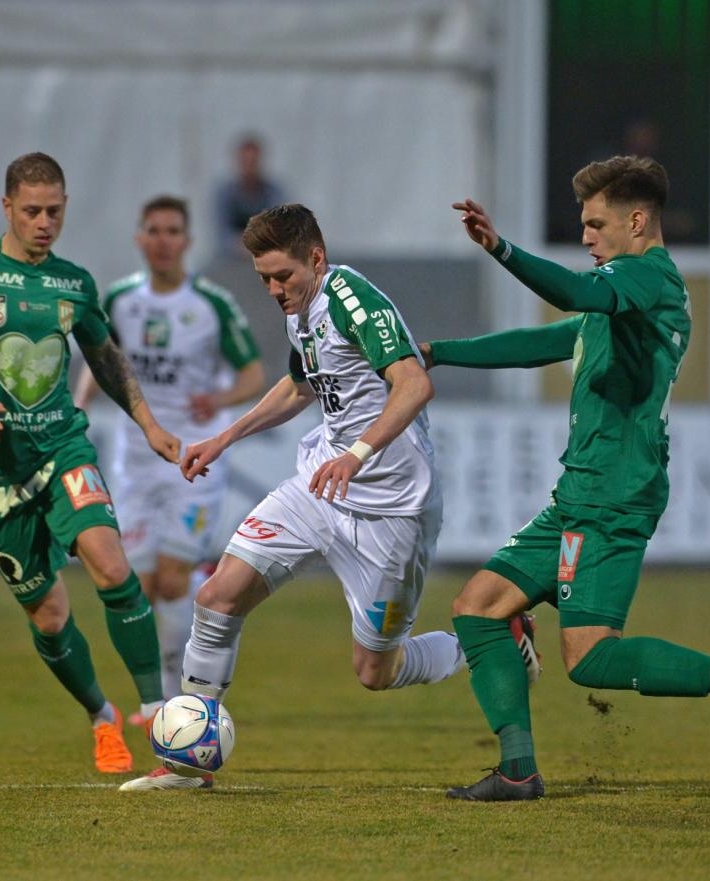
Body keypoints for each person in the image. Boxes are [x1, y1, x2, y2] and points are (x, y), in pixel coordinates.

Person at [422, 155, 710, 802]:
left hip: (613, 495)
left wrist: (501, 248)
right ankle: (517, 770)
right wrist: (438, 354)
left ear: (636, 221)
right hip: (579, 492)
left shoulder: (648, 279)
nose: (585, 236)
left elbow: (576, 292)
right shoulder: (617, 300)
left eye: (594, 223)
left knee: (590, 657)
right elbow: (543, 342)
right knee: (477, 607)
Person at [120, 203, 537, 792]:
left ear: (315, 258)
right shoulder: (302, 309)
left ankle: (499, 638)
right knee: (218, 596)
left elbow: (415, 382)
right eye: (264, 278)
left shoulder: (351, 298)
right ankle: (188, 762)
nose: (273, 289)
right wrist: (224, 437)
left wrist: (358, 454)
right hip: (319, 488)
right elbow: (299, 385)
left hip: (393, 512)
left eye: (282, 275)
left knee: (376, 670)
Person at [0, 152, 180, 775]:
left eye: (54, 211)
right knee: (50, 616)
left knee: (110, 562)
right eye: (31, 211)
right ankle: (103, 718)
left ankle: (163, 720)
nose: (43, 222)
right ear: (7, 207)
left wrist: (152, 426)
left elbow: (106, 360)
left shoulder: (74, 283)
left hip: (62, 448)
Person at [74, 195, 265, 708]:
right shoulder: (119, 299)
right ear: (140, 238)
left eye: (173, 231)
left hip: (192, 458)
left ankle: (172, 697)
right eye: (153, 230)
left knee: (174, 576)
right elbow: (101, 359)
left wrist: (219, 399)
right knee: (140, 581)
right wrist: (79, 404)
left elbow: (254, 374)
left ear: (187, 240)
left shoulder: (211, 304)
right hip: (133, 459)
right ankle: (159, 695)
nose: (163, 240)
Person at [214, 135, 286, 258]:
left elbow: (280, 230)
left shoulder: (273, 192)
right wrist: (241, 246)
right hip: (232, 258)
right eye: (245, 162)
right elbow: (221, 234)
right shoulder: (225, 194)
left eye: (253, 162)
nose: (249, 167)